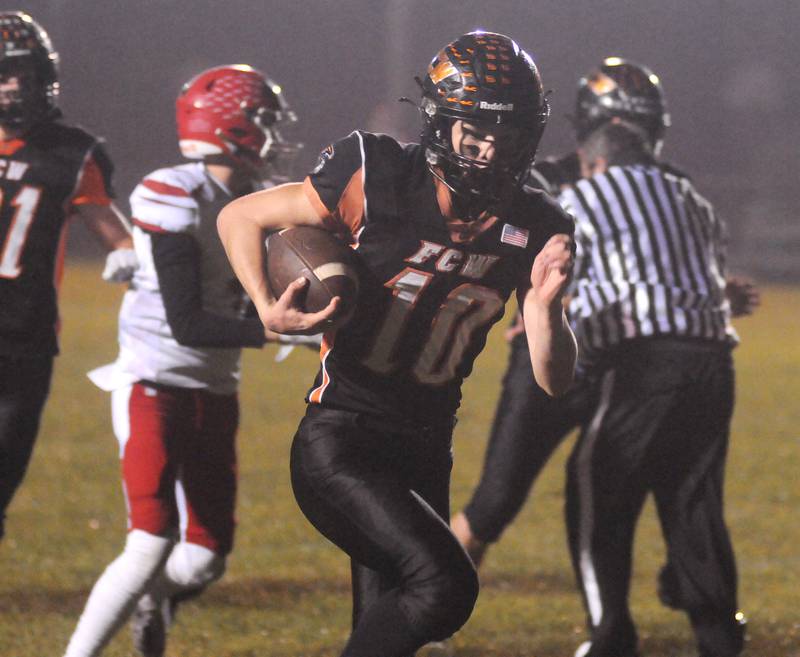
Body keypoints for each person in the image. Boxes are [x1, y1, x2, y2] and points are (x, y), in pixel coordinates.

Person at [218, 31, 577, 657]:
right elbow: (240, 216)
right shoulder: (376, 173)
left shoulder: (538, 223)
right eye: (476, 133)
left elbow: (554, 379)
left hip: (425, 448)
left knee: (393, 626)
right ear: (442, 124)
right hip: (343, 439)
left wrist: (546, 309)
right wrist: (264, 304)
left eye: (508, 136)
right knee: (444, 588)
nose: (491, 152)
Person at [450, 57, 760, 570]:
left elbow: (673, 272)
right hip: (554, 360)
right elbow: (499, 252)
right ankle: (432, 599)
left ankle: (631, 613)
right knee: (495, 502)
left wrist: (713, 291)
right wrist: (539, 302)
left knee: (647, 493)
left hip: (632, 367)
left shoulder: (668, 184)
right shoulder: (544, 183)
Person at [63, 64, 302, 657]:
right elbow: (187, 322)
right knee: (149, 540)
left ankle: (150, 598)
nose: (271, 135)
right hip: (155, 379)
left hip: (216, 388)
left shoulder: (253, 200)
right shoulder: (176, 191)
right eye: (262, 122)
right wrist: (282, 333)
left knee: (205, 558)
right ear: (233, 128)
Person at [562, 120, 746, 657]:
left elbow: (574, 279)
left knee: (595, 488)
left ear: (593, 161)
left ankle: (610, 633)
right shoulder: (693, 199)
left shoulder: (585, 194)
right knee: (693, 502)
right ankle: (719, 637)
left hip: (645, 360)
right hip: (713, 364)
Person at [0, 11, 136, 542]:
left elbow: (112, 228)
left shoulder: (70, 151)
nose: (13, 86)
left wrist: (129, 255)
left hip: (25, 340)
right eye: (3, 73)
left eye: (21, 73)